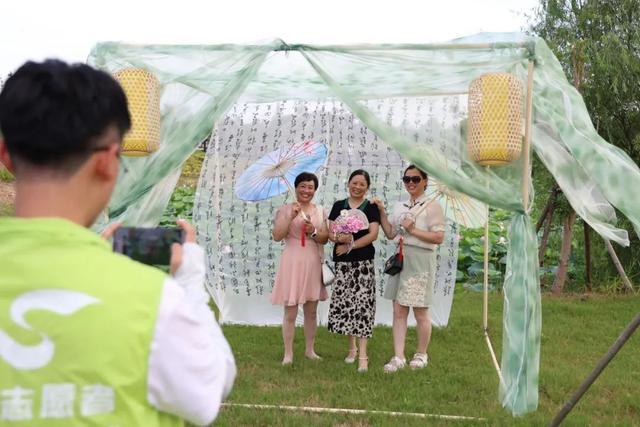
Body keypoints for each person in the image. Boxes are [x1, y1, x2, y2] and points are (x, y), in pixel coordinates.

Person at [0, 60, 235, 426]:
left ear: (6, 155)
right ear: (108, 162)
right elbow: (211, 387)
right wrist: (190, 279)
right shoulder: (155, 300)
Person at [372, 165, 445, 373]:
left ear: (425, 181)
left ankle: (422, 354)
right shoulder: (400, 206)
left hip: (422, 258)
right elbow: (390, 233)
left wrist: (414, 229)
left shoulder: (432, 206)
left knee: (420, 309)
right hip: (401, 257)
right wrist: (383, 213)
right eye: (407, 179)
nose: (410, 183)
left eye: (415, 179)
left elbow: (439, 237)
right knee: (398, 309)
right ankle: (398, 356)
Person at [270, 172, 329, 365]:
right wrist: (290, 217)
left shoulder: (320, 211)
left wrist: (312, 231)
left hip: (312, 260)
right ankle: (288, 353)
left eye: (310, 187)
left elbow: (325, 238)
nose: (306, 190)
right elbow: (277, 236)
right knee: (291, 312)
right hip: (292, 261)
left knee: (311, 310)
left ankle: (310, 350)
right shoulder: (285, 209)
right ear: (296, 188)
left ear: (315, 189)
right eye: (302, 186)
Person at [327, 169, 380, 373]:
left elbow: (373, 234)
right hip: (343, 263)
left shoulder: (371, 207)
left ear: (367, 187)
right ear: (348, 183)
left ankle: (364, 356)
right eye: (354, 183)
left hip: (363, 262)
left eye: (362, 184)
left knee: (363, 306)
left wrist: (351, 245)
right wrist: (339, 237)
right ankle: (352, 349)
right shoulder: (339, 206)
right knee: (348, 304)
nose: (357, 187)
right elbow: (331, 232)